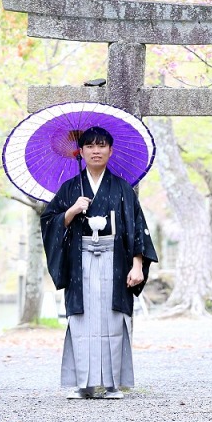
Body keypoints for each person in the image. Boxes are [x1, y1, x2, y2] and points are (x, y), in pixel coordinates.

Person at [41, 125, 158, 399]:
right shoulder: (71, 188)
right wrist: (71, 211)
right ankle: (83, 385)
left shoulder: (122, 189)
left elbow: (138, 228)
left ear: (110, 150)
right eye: (90, 146)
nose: (96, 150)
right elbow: (49, 223)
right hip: (80, 261)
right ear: (80, 152)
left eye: (102, 145)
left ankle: (112, 384)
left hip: (116, 261)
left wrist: (138, 265)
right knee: (82, 321)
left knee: (113, 320)